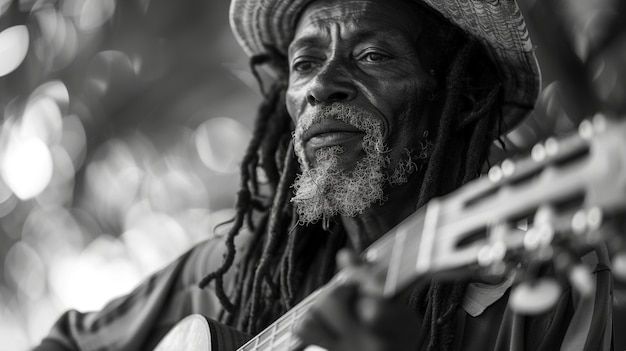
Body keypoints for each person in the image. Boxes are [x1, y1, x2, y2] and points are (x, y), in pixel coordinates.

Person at [34, 0, 614, 350]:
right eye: (305, 63)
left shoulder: (547, 300)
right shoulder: (232, 276)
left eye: (373, 56)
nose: (320, 86)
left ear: (460, 99)